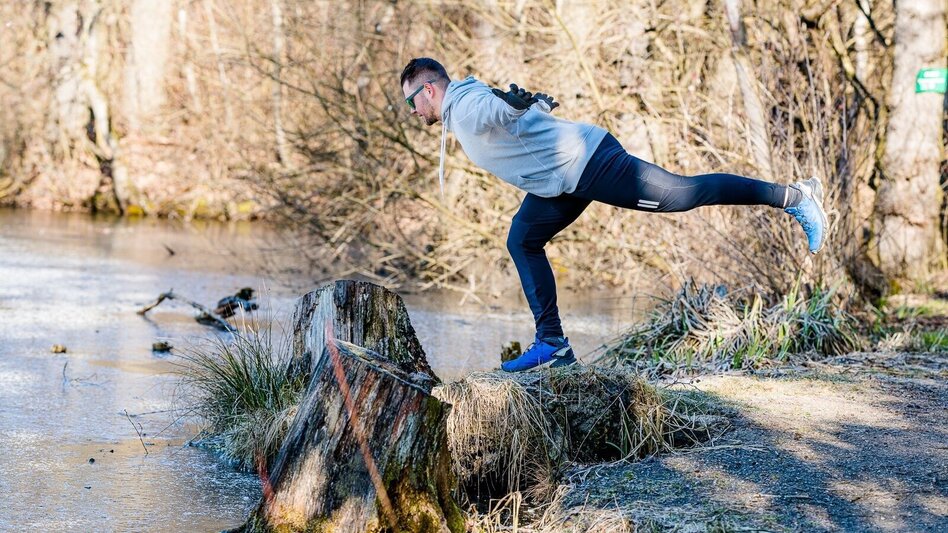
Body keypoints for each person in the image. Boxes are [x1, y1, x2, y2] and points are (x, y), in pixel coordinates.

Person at [399, 57, 827, 373]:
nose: (412, 112)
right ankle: (552, 343)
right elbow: (503, 114)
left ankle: (794, 196)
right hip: (563, 179)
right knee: (522, 239)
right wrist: (529, 107)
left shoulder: (465, 108)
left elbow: (491, 111)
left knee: (683, 193)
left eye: (411, 102)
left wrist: (511, 107)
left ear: (429, 90)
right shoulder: (463, 103)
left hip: (588, 163)